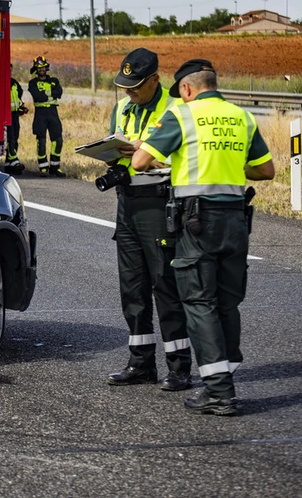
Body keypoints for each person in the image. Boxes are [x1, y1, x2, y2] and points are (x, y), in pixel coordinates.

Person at [133, 59, 275, 416]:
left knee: (198, 302)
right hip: (236, 220)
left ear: (186, 89)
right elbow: (266, 169)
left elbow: (139, 162)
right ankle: (226, 375)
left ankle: (219, 392)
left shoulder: (181, 116)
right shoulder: (241, 116)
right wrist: (228, 163)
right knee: (227, 303)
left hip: (197, 220)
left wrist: (156, 153)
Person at [105, 49, 193, 391]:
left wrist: (145, 150)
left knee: (165, 285)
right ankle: (140, 363)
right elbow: (116, 145)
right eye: (125, 86)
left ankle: (179, 367)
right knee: (133, 288)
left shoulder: (174, 110)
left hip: (159, 202)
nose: (129, 92)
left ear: (155, 79)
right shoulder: (122, 108)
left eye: (135, 86)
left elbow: (181, 154)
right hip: (126, 203)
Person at [27, 56, 65, 176]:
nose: (41, 69)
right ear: (35, 69)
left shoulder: (54, 80)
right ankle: (43, 167)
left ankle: (55, 167)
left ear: (46, 68)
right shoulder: (32, 83)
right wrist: (51, 93)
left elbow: (59, 93)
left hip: (53, 113)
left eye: (43, 67)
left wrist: (47, 93)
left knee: (58, 140)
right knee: (41, 141)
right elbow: (38, 96)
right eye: (39, 68)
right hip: (40, 114)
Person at [5, 65, 28, 175]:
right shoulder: (1, 82)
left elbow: (19, 95)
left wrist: (21, 107)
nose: (9, 71)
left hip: (14, 114)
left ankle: (9, 164)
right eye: (7, 69)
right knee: (11, 138)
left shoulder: (14, 83)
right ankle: (14, 160)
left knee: (16, 136)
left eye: (10, 70)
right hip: (5, 115)